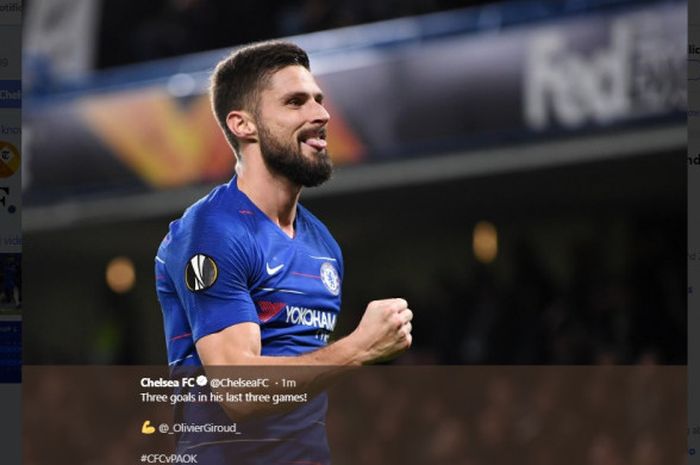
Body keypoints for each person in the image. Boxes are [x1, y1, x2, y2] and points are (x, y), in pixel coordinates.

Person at [155, 40, 413, 464]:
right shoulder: (213, 232)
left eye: (318, 100)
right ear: (243, 125)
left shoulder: (323, 246)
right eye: (295, 102)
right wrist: (358, 348)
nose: (320, 115)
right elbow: (239, 391)